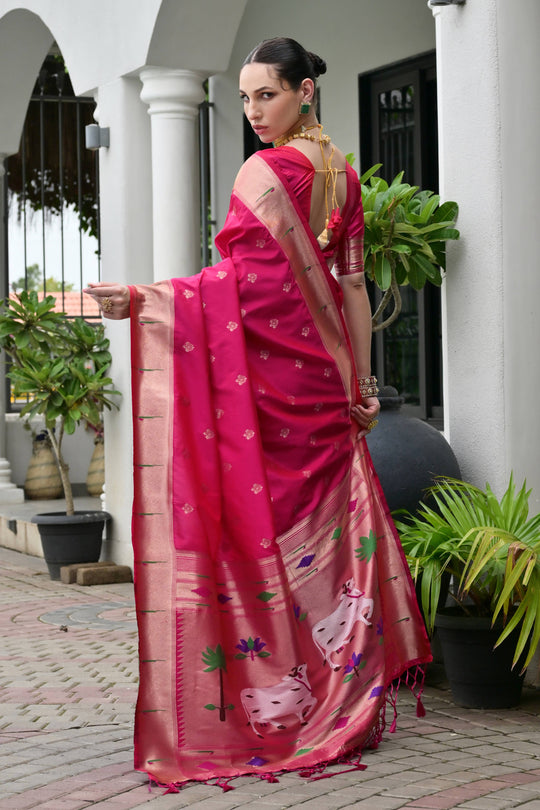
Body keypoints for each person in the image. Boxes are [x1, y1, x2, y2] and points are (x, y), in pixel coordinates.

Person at [85, 37, 431, 790]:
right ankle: (349, 699)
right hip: (324, 384)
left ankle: (287, 708)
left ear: (305, 91)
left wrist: (148, 299)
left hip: (275, 390)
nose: (251, 112)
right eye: (243, 99)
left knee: (269, 536)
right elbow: (351, 291)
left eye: (264, 95)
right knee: (332, 543)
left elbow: (245, 284)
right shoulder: (341, 176)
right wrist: (361, 382)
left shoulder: (268, 172)